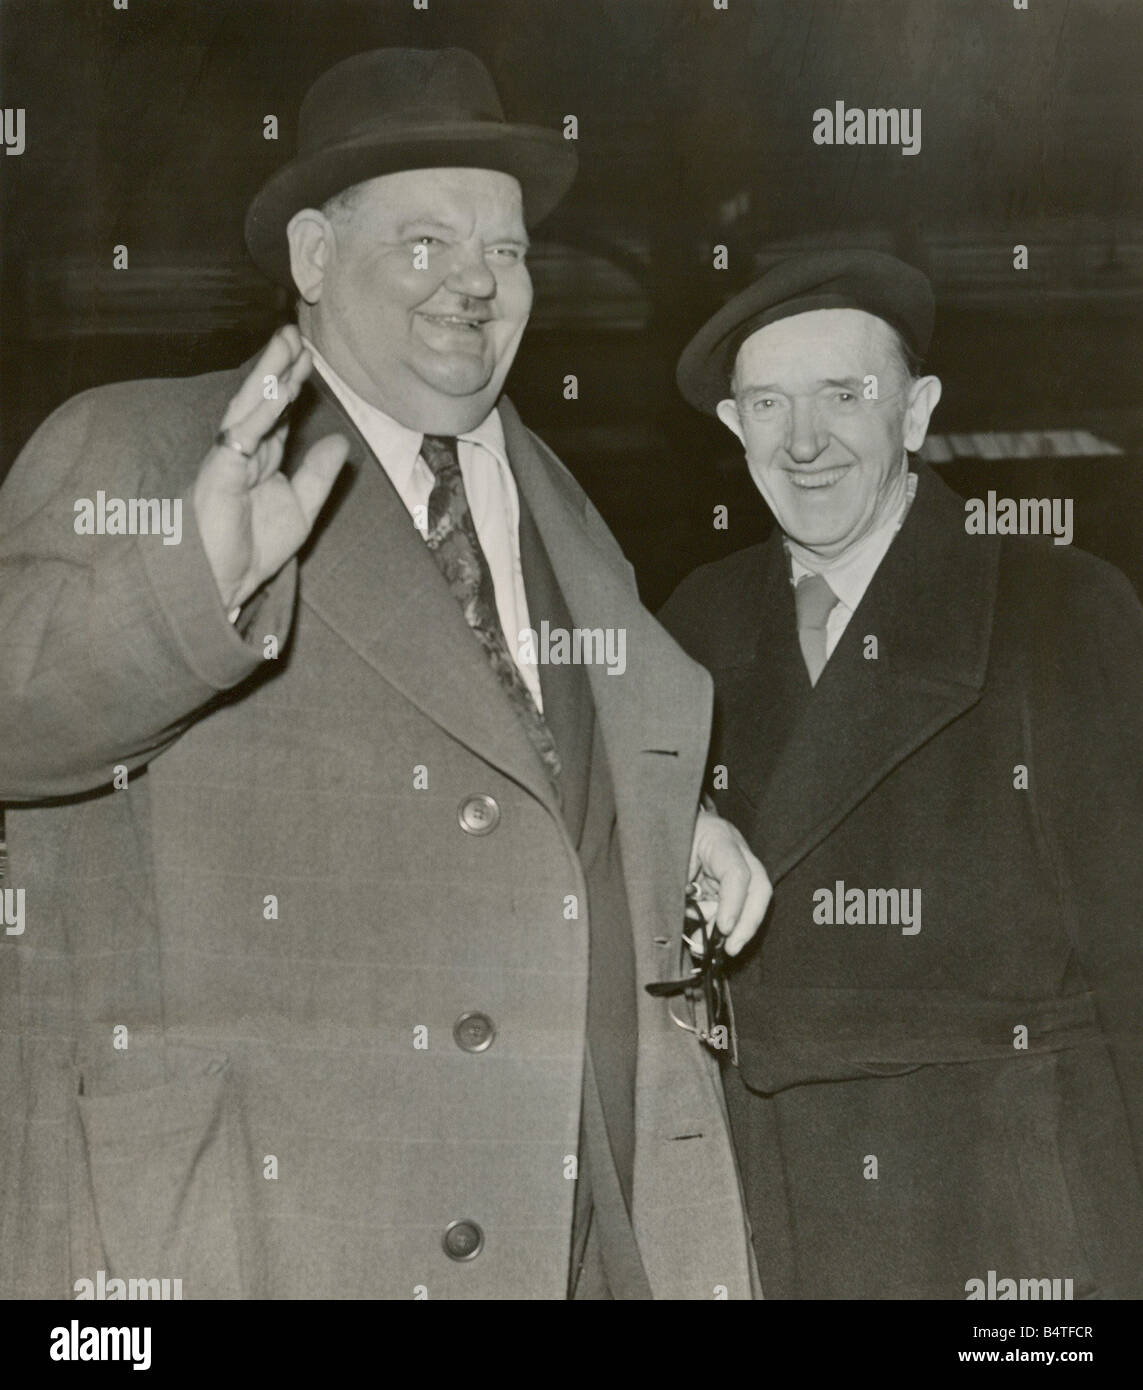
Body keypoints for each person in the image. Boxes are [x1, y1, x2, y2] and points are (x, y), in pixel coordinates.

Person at [0, 47, 770, 1301]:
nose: (476, 282)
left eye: (508, 251)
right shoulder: (144, 444)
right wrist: (187, 596)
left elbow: (528, 776)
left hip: (565, 1241)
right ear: (312, 257)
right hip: (249, 1243)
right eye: (425, 241)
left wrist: (666, 820)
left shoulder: (563, 504)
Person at [660, 248, 1143, 1299]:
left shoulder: (1063, 609)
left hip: (1015, 1209)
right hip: (766, 1202)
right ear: (735, 430)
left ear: (916, 413)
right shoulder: (688, 623)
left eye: (845, 395)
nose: (805, 441)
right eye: (769, 403)